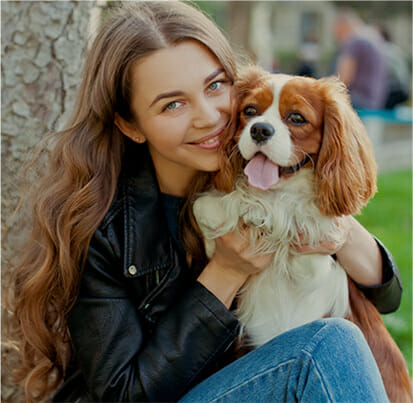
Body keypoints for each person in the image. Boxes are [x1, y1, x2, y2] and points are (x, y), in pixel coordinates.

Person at [8, 2, 402, 402]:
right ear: (130, 125)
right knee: (327, 344)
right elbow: (122, 393)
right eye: (172, 104)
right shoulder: (101, 224)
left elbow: (386, 297)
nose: (208, 117)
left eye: (215, 86)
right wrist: (225, 273)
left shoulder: (269, 185)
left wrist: (344, 236)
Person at [333, 9, 388, 110]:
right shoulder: (373, 36)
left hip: (357, 102)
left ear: (342, 26)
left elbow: (343, 79)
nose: (337, 38)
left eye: (337, 33)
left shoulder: (354, 41)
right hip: (375, 101)